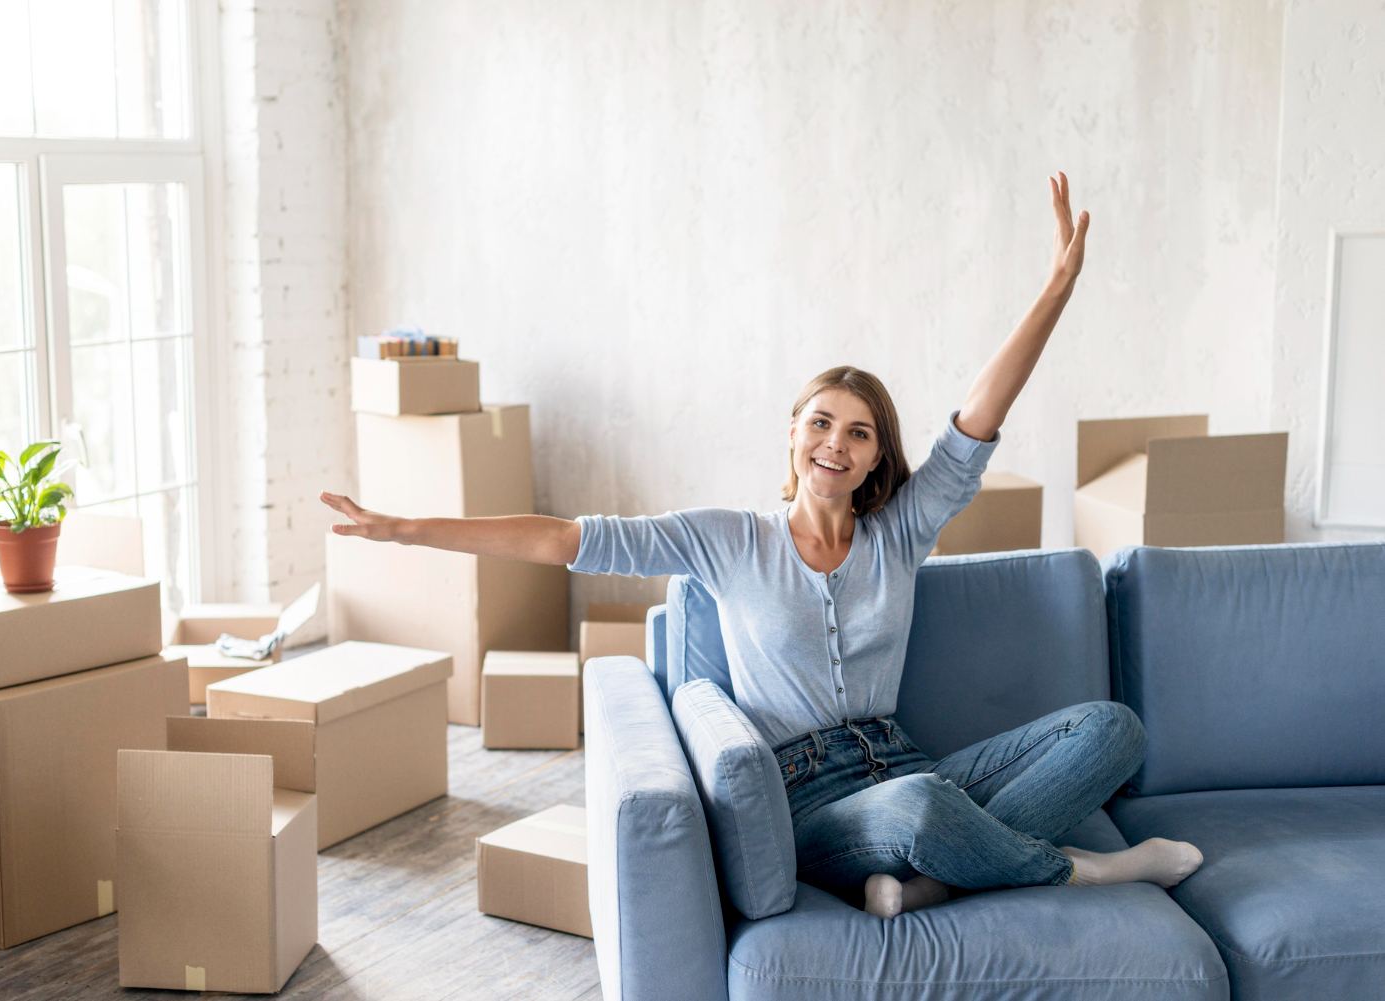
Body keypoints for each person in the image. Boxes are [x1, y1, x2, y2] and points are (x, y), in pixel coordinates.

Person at [321, 173, 1203, 919]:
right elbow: (562, 539)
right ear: (792, 433)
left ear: (877, 457)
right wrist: (402, 527)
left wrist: (1055, 290)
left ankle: (935, 882)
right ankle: (1084, 871)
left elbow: (977, 420)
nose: (836, 442)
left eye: (859, 432)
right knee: (924, 807)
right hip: (810, 801)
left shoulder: (901, 532)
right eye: (820, 422)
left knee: (1111, 728)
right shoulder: (728, 541)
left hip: (905, 763)